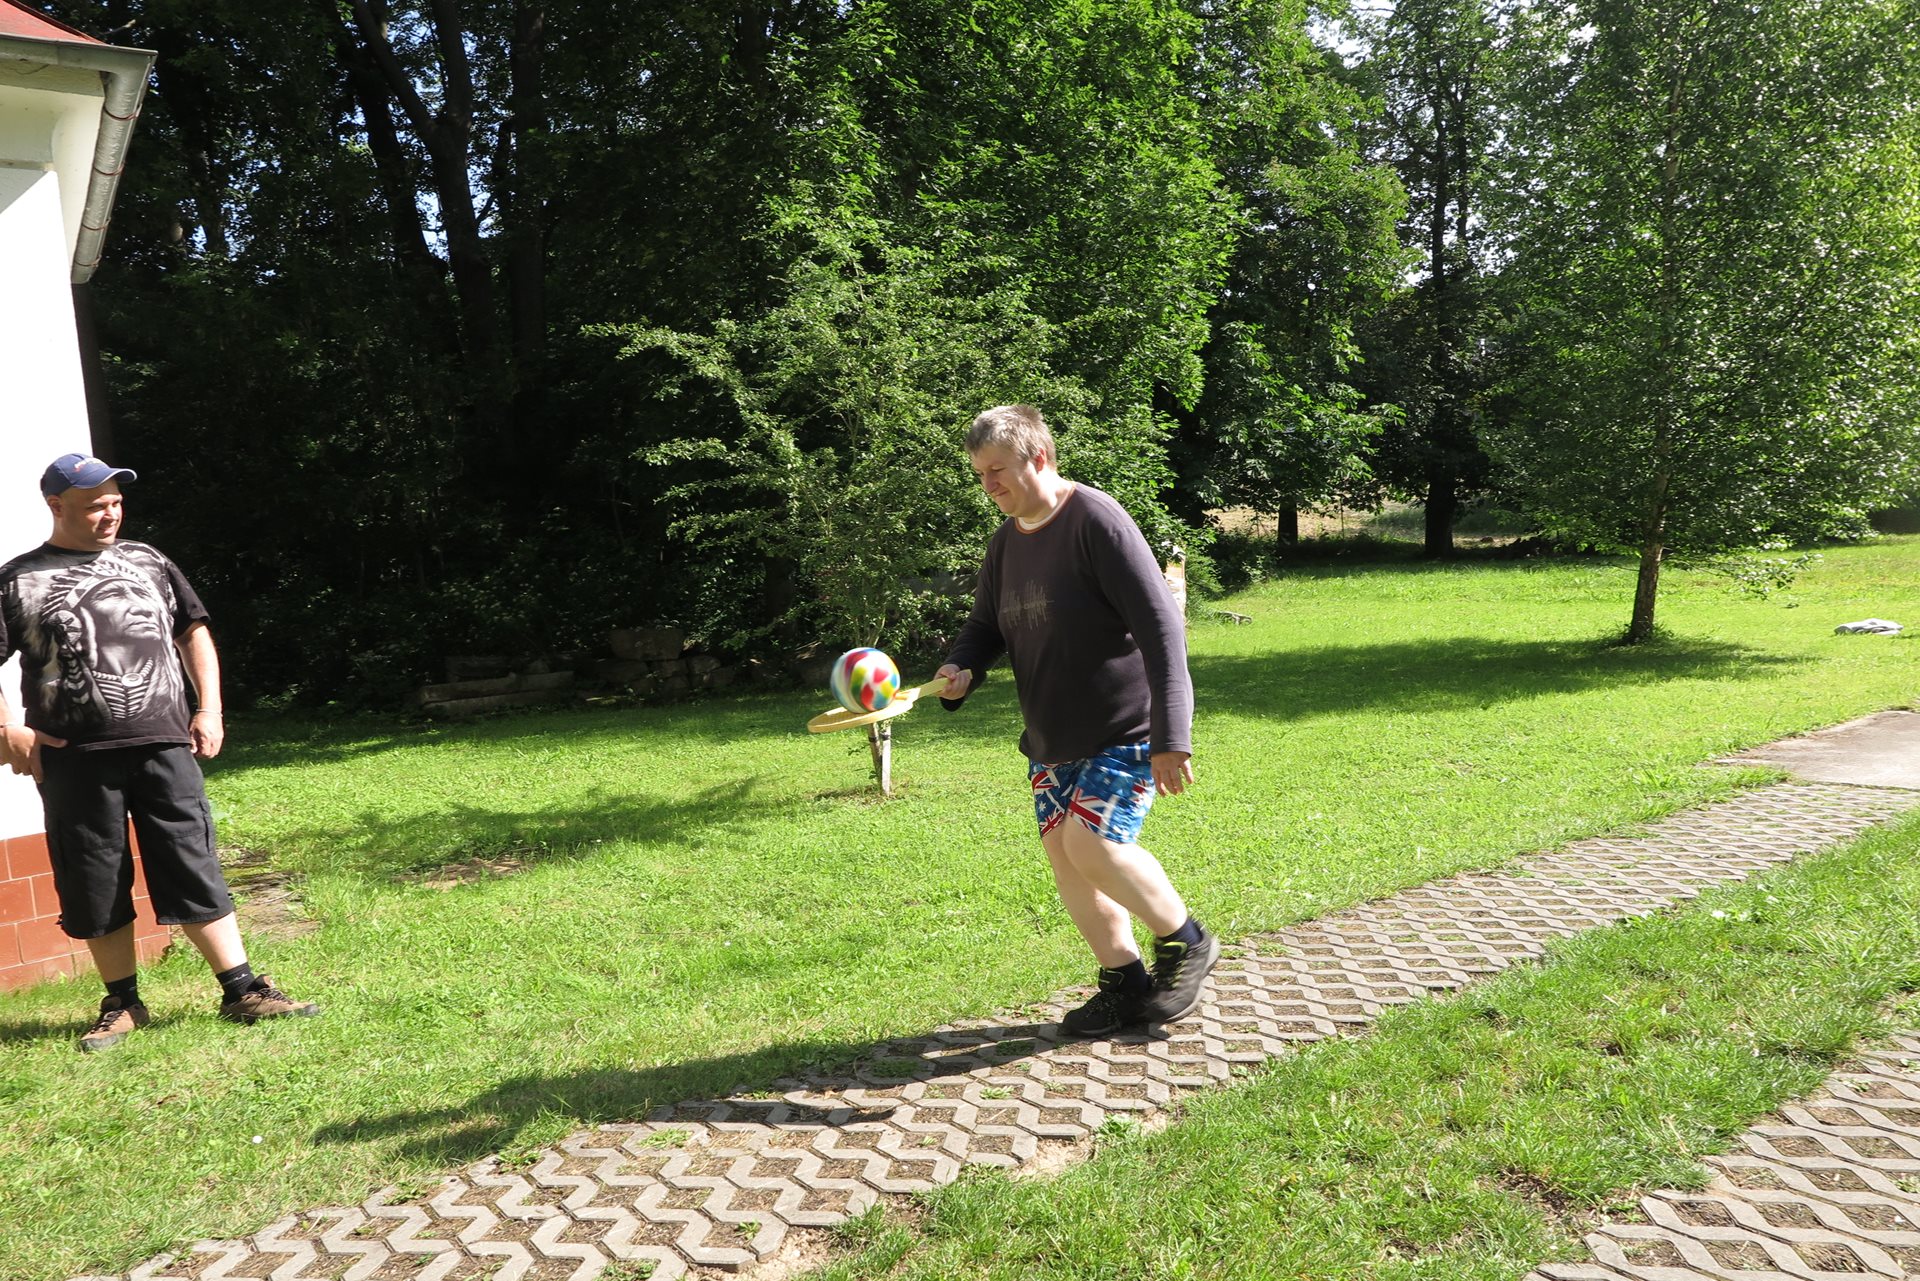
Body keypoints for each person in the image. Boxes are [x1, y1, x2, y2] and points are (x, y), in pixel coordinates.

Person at [0, 453, 319, 1052]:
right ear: (56, 506)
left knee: (191, 858)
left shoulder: (149, 561)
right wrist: (8, 729)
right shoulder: (18, 579)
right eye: (95, 506)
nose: (109, 515)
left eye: (116, 503)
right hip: (74, 755)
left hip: (164, 742)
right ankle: (122, 1003)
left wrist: (210, 708)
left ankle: (241, 988)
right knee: (94, 875)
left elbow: (193, 631)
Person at [937, 405, 1218, 1036]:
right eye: (981, 474)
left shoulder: (1096, 520)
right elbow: (985, 626)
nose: (989, 485)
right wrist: (961, 668)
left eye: (997, 470)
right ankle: (1125, 983)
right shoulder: (1005, 543)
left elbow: (1162, 630)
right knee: (1067, 859)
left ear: (1037, 457)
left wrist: (1172, 735)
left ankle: (1188, 941)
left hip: (1124, 729)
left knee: (1092, 844)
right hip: (1051, 738)